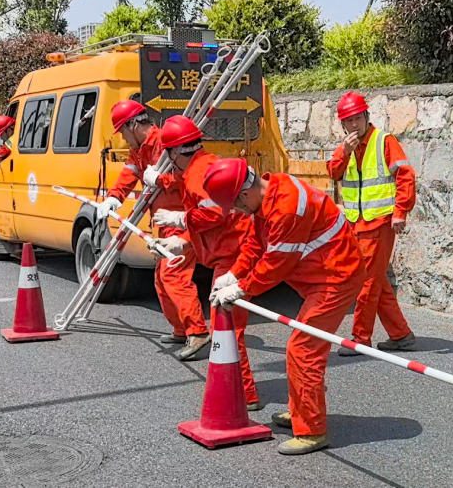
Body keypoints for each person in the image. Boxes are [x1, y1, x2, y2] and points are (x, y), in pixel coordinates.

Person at [204, 158, 366, 455]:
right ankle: (301, 411)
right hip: (323, 275)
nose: (237, 212)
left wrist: (242, 288)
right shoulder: (270, 194)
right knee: (301, 348)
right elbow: (256, 245)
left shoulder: (287, 208)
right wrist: (234, 273)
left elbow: (277, 263)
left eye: (236, 207)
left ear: (244, 195)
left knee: (303, 350)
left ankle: (312, 431)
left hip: (337, 278)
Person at [148, 115, 261, 411]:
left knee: (227, 326)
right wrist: (184, 241)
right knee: (226, 324)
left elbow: (214, 214)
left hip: (235, 255)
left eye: (169, 154)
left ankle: (243, 395)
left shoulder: (198, 173)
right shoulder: (203, 165)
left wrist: (180, 219)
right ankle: (237, 391)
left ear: (175, 152)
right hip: (232, 250)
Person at [100, 100, 209, 360]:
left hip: (182, 220)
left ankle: (198, 332)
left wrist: (159, 180)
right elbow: (129, 173)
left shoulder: (165, 142)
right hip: (163, 223)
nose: (122, 137)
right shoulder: (138, 149)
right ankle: (182, 329)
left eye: (122, 131)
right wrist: (114, 197)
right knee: (161, 279)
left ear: (132, 125)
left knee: (174, 276)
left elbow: (187, 177)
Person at [326, 92, 417, 356]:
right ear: (342, 124)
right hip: (357, 224)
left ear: (366, 116)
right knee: (377, 282)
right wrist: (344, 152)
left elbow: (405, 175)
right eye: (348, 121)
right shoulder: (346, 147)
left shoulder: (384, 141)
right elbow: (333, 172)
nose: (353, 124)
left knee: (365, 283)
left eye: (357, 118)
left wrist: (401, 211)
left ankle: (361, 338)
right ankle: (401, 334)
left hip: (380, 224)